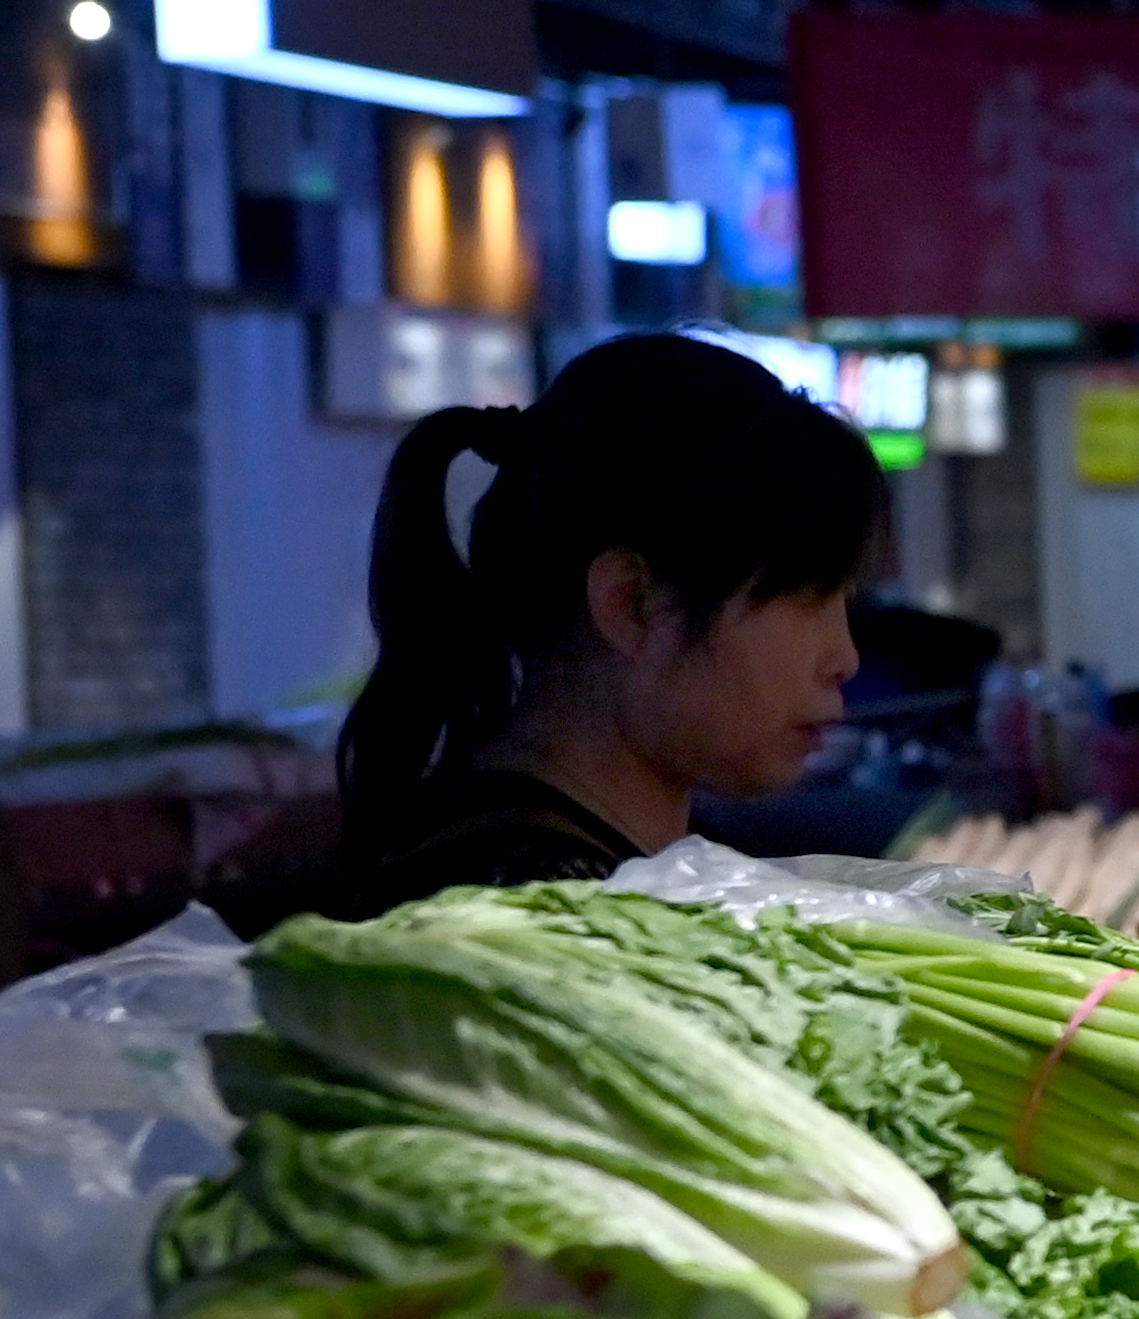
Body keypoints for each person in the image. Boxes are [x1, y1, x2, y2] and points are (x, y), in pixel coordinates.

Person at [328, 330, 880, 916]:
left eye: (844, 600)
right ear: (630, 604)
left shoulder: (587, 868)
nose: (845, 659)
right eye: (808, 599)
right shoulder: (524, 911)